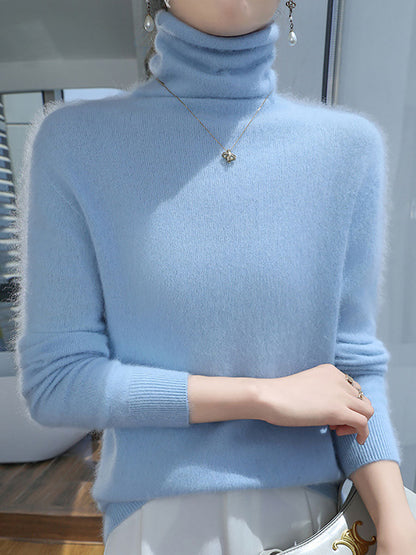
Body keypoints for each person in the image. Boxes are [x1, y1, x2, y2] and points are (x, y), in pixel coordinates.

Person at [12, 0, 416, 554]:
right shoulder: (74, 143)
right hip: (156, 530)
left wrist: (396, 521)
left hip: (316, 530)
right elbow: (57, 381)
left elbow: (353, 372)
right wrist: (262, 397)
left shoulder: (349, 150)